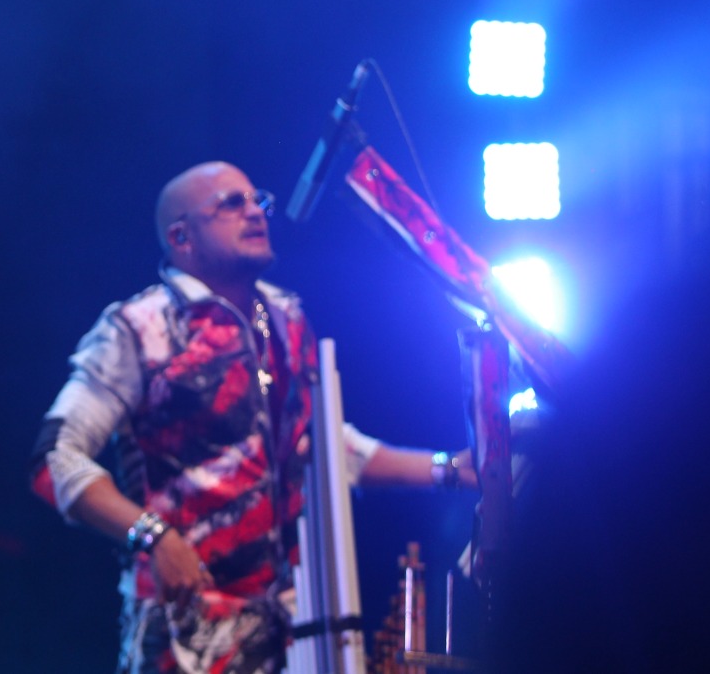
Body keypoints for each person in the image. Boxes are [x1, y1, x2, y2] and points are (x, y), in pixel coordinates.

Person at [31, 161, 476, 673]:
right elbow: (55, 458)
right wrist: (153, 535)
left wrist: (448, 469)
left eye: (257, 200)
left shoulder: (286, 317)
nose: (256, 212)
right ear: (181, 237)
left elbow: (321, 447)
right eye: (230, 203)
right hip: (188, 636)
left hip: (296, 628)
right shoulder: (138, 327)